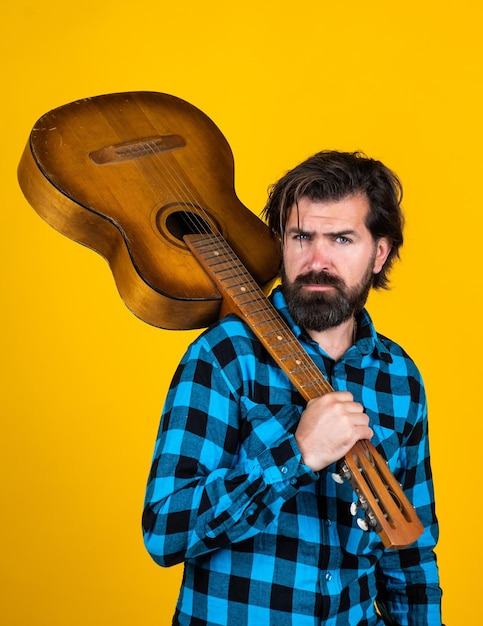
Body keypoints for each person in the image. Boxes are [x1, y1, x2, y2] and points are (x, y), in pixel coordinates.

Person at [142, 151, 443, 625]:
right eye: (302, 237)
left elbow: (411, 555)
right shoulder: (225, 356)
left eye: (342, 239)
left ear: (379, 252)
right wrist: (295, 456)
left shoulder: (399, 377)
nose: (317, 260)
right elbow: (165, 530)